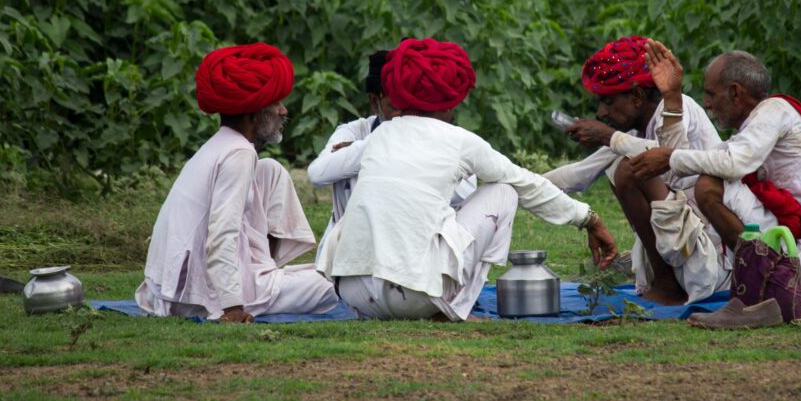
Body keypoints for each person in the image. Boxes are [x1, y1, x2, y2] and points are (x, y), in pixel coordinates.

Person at [317, 37, 620, 321]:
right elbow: (527, 183)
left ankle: (424, 300)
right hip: (413, 297)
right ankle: (454, 308)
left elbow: (321, 171)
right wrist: (589, 219)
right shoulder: (459, 140)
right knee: (506, 190)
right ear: (451, 102)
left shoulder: (379, 135)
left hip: (353, 294)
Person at [628, 42, 801, 314]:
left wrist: (669, 157)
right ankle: (755, 284)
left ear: (735, 92)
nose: (706, 103)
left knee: (710, 187)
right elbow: (680, 175)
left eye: (711, 94)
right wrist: (672, 97)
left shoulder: (775, 110)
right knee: (703, 182)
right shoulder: (750, 130)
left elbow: (731, 164)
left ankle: (758, 292)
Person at [136, 43, 338, 322]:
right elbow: (222, 234)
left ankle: (260, 273)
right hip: (193, 295)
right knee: (333, 286)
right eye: (275, 104)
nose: (283, 111)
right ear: (253, 114)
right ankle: (253, 288)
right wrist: (232, 307)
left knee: (270, 170)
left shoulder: (224, 144)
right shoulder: (238, 154)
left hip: (175, 286)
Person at [543, 35, 727, 305]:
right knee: (622, 165)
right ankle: (665, 280)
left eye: (608, 102)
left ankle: (668, 286)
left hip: (710, 237)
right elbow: (580, 174)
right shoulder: (630, 131)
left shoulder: (677, 108)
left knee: (628, 170)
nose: (602, 112)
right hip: (678, 232)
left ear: (638, 96)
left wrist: (609, 136)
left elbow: (673, 160)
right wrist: (517, 183)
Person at [307, 50, 476, 237]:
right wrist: (373, 146)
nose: (404, 116)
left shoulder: (440, 135)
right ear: (374, 101)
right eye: (395, 107)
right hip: (349, 241)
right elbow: (317, 174)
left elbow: (466, 192)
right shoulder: (355, 131)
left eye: (409, 105)